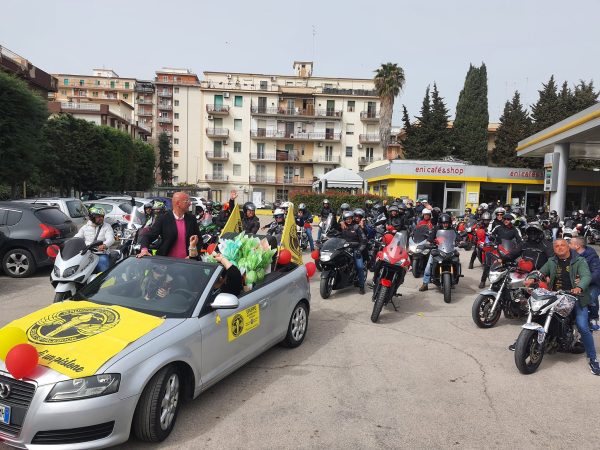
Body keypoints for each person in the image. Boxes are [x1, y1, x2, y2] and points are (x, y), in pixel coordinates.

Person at [522, 239, 600, 375]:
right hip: (556, 294)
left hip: (576, 297)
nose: (559, 248)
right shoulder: (552, 261)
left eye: (562, 245)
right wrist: (532, 278)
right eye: (556, 246)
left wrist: (579, 287)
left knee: (582, 326)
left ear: (568, 247)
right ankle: (523, 341)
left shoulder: (579, 261)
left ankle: (593, 359)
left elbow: (586, 276)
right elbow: (540, 272)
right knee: (538, 313)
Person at [137, 192, 200, 258]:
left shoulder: (192, 219)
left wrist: (193, 254)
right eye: (187, 201)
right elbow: (149, 236)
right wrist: (144, 250)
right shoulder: (163, 218)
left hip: (187, 263)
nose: (190, 203)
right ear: (178, 203)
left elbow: (199, 240)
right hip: (167, 263)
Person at [479, 213, 522, 288]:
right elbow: (490, 235)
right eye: (504, 219)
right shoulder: (498, 227)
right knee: (488, 264)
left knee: (516, 264)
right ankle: (483, 281)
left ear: (511, 220)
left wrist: (519, 246)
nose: (506, 220)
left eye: (508, 219)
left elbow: (520, 240)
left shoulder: (515, 230)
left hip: (508, 250)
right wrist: (491, 238)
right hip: (497, 249)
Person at [569, 237, 600, 331]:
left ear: (577, 246)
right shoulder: (570, 255)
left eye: (570, 243)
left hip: (592, 284)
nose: (568, 245)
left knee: (590, 298)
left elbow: (596, 273)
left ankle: (594, 318)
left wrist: (584, 280)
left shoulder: (592, 256)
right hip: (574, 283)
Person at [419, 213, 454, 291]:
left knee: (456, 260)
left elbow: (457, 236)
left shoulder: (452, 229)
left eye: (447, 223)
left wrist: (461, 241)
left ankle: (454, 278)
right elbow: (430, 238)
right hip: (438, 249)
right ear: (441, 223)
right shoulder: (436, 228)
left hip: (449, 249)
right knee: (429, 265)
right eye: (444, 223)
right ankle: (425, 283)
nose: (445, 224)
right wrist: (427, 243)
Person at [74, 206, 115, 272]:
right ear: (92, 217)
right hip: (87, 254)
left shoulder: (107, 226)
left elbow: (111, 239)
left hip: (101, 253)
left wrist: (104, 245)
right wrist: (69, 243)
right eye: (98, 216)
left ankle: (103, 280)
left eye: (102, 216)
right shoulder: (85, 227)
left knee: (103, 262)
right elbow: (77, 238)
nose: (101, 218)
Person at [340, 211, 367, 294]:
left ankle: (362, 286)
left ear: (352, 218)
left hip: (355, 249)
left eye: (350, 219)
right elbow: (333, 229)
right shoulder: (342, 226)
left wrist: (359, 250)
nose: (348, 220)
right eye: (346, 219)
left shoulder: (356, 227)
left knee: (359, 267)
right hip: (344, 248)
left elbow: (364, 240)